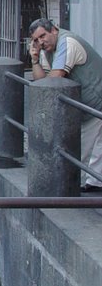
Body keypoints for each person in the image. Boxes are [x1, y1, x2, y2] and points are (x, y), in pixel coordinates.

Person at [28, 17, 102, 189]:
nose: (41, 42)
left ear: (54, 29)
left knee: (81, 145)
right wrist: (34, 60)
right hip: (89, 103)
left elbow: (54, 80)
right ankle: (94, 182)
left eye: (43, 36)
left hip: (95, 100)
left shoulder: (67, 42)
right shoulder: (48, 50)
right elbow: (42, 83)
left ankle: (69, 183)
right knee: (95, 144)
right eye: (36, 40)